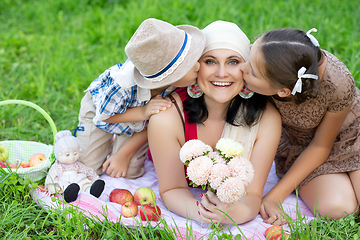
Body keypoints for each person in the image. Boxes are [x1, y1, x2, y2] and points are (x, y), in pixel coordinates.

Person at [147, 20, 282, 224]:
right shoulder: (167, 117)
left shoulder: (267, 118)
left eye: (233, 62)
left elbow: (252, 194)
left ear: (247, 68)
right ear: (196, 66)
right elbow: (172, 188)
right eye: (210, 61)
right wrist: (204, 214)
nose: (221, 73)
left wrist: (237, 213)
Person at [240, 28, 360, 224]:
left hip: (352, 138)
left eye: (251, 71)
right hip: (301, 146)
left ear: (284, 92)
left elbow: (322, 145)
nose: (242, 68)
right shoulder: (265, 59)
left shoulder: (338, 84)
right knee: (339, 208)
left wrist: (274, 196)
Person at [75, 18, 205, 178]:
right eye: (190, 64)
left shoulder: (180, 87)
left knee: (130, 172)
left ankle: (117, 145)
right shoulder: (121, 85)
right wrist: (143, 112)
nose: (199, 66)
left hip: (137, 126)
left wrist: (124, 154)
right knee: (87, 169)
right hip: (102, 113)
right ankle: (101, 141)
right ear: (169, 78)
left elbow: (152, 124)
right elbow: (105, 116)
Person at [45, 130, 105, 203]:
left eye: (75, 153)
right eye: (67, 154)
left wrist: (95, 179)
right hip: (66, 182)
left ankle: (91, 191)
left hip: (77, 179)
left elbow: (87, 171)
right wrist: (52, 187)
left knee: (84, 182)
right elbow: (51, 177)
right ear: (58, 154)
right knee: (64, 186)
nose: (72, 157)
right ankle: (69, 195)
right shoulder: (57, 167)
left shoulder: (77, 164)